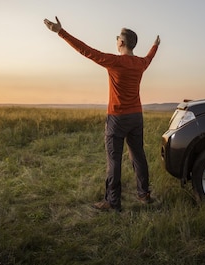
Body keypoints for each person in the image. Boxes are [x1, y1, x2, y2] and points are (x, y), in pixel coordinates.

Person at [43, 16, 160, 212]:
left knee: (114, 160)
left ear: (121, 42)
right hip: (136, 117)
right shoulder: (140, 63)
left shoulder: (114, 61)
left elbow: (85, 50)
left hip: (117, 118)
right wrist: (155, 45)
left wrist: (60, 32)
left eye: (117, 38)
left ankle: (113, 202)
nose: (116, 40)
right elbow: (149, 57)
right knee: (138, 156)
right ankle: (144, 194)